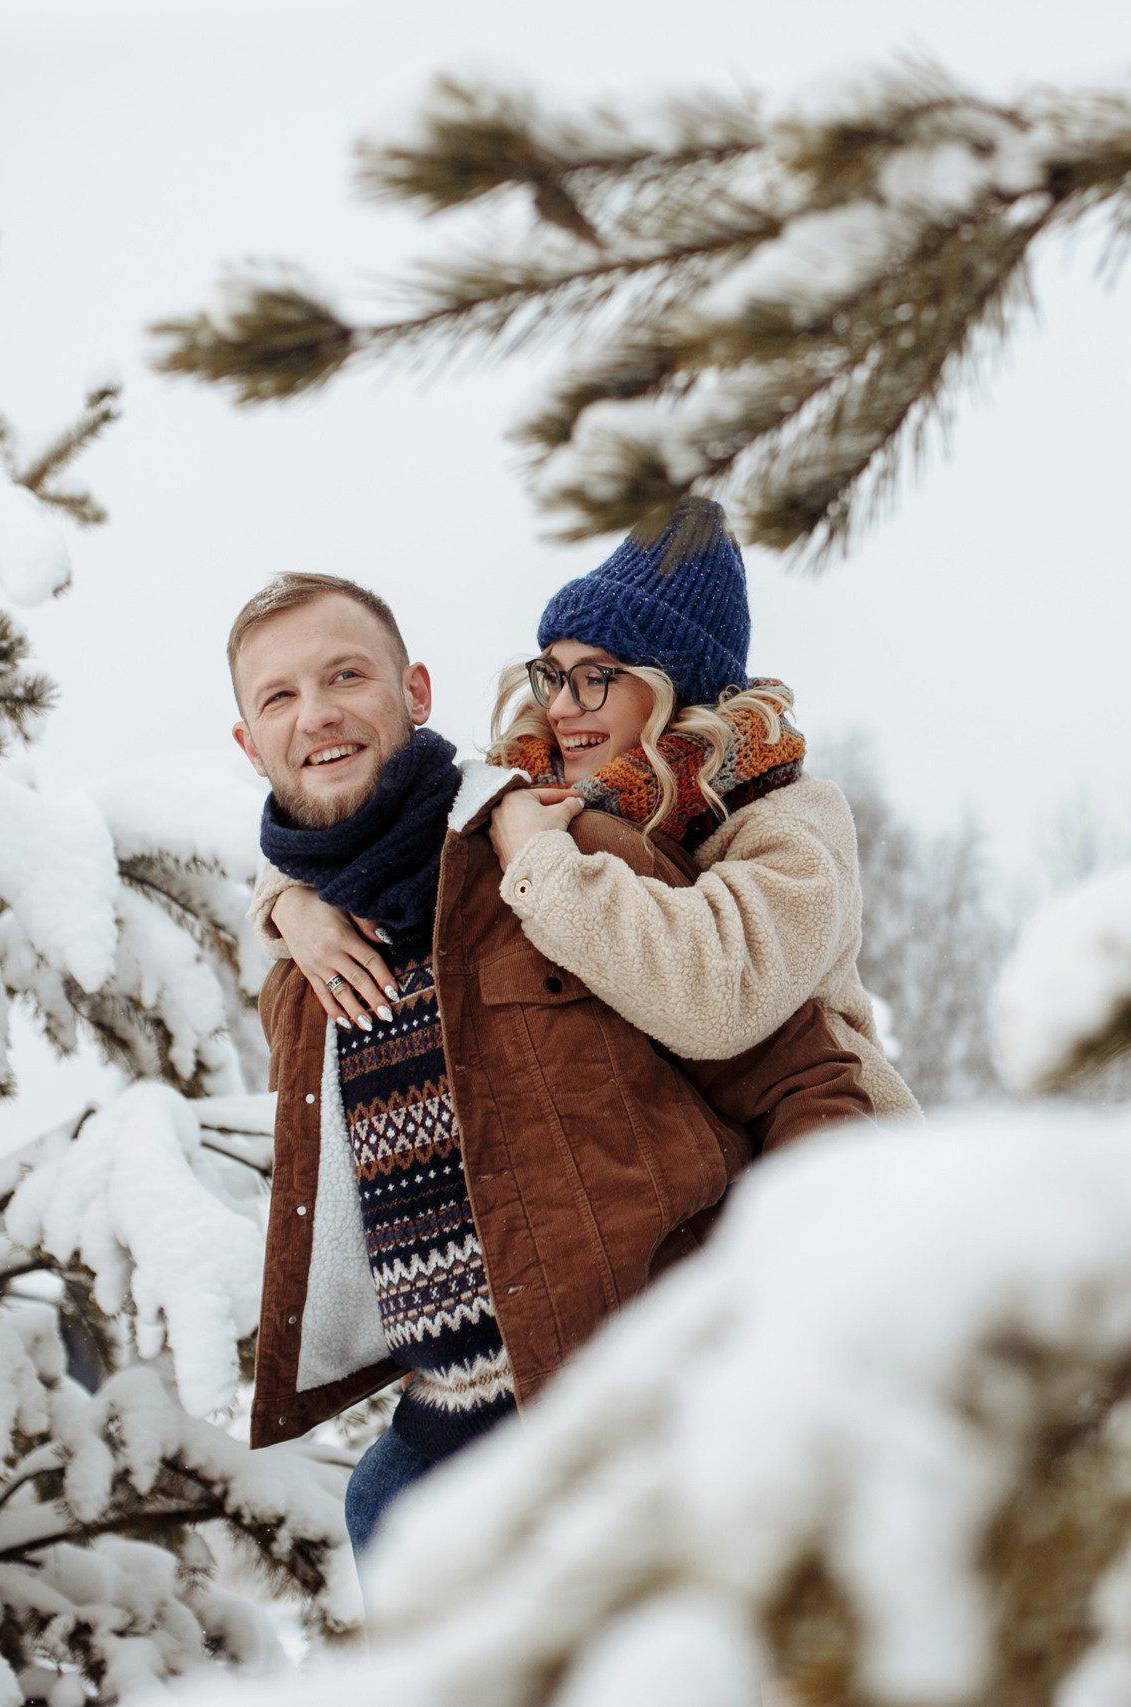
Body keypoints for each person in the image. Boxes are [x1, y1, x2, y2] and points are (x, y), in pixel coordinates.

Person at [225, 572, 870, 1558]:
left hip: (642, 1422)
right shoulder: (304, 969)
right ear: (247, 741)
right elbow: (323, 825)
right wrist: (287, 903)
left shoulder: (569, 856)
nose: (314, 713)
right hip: (446, 1453)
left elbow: (798, 1074)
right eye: (277, 696)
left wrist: (816, 1308)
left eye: (344, 674)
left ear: (417, 693)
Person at [258, 500, 917, 1119]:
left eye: (595, 678)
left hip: (837, 1167)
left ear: (675, 691)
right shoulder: (535, 788)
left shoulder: (783, 819)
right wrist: (293, 900)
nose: (562, 707)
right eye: (552, 674)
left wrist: (540, 862)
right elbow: (379, 813)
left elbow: (719, 998)